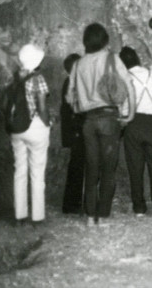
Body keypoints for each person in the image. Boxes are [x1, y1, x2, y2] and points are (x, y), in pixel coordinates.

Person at [66, 23, 135, 226]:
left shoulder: (78, 64)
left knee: (92, 168)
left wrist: (80, 107)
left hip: (88, 121)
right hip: (109, 118)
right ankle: (103, 216)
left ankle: (89, 216)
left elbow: (70, 97)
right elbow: (129, 87)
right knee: (108, 169)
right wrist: (129, 115)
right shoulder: (112, 59)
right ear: (105, 40)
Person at [119, 18, 152, 217]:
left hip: (133, 125)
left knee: (135, 167)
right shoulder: (151, 74)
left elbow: (123, 109)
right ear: (138, 59)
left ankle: (139, 207)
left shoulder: (124, 80)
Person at [10, 44, 51, 226]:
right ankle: (37, 217)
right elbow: (42, 108)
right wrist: (48, 122)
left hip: (16, 129)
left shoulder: (14, 79)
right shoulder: (38, 79)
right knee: (37, 173)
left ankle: (19, 216)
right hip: (34, 128)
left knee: (19, 171)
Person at [60, 53, 84, 214]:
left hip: (75, 131)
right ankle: (72, 205)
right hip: (78, 131)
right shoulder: (73, 83)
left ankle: (72, 204)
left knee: (76, 167)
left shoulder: (69, 82)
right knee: (77, 167)